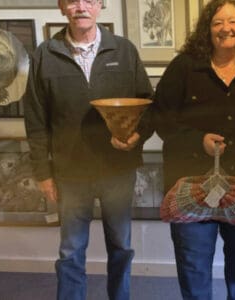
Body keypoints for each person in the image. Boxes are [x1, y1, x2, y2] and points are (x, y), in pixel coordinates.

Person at [23, 0, 153, 299]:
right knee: (70, 252)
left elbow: (148, 104)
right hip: (70, 174)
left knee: (121, 246)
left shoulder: (124, 50)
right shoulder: (45, 54)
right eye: (72, 1)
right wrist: (43, 174)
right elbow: (35, 120)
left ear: (100, 6)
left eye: (89, 0)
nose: (81, 6)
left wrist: (138, 137)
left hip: (118, 170)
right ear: (61, 7)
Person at [152, 0, 235, 299]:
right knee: (193, 264)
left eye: (232, 21)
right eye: (217, 23)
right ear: (207, 29)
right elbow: (160, 118)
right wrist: (198, 140)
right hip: (191, 187)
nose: (225, 29)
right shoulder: (183, 67)